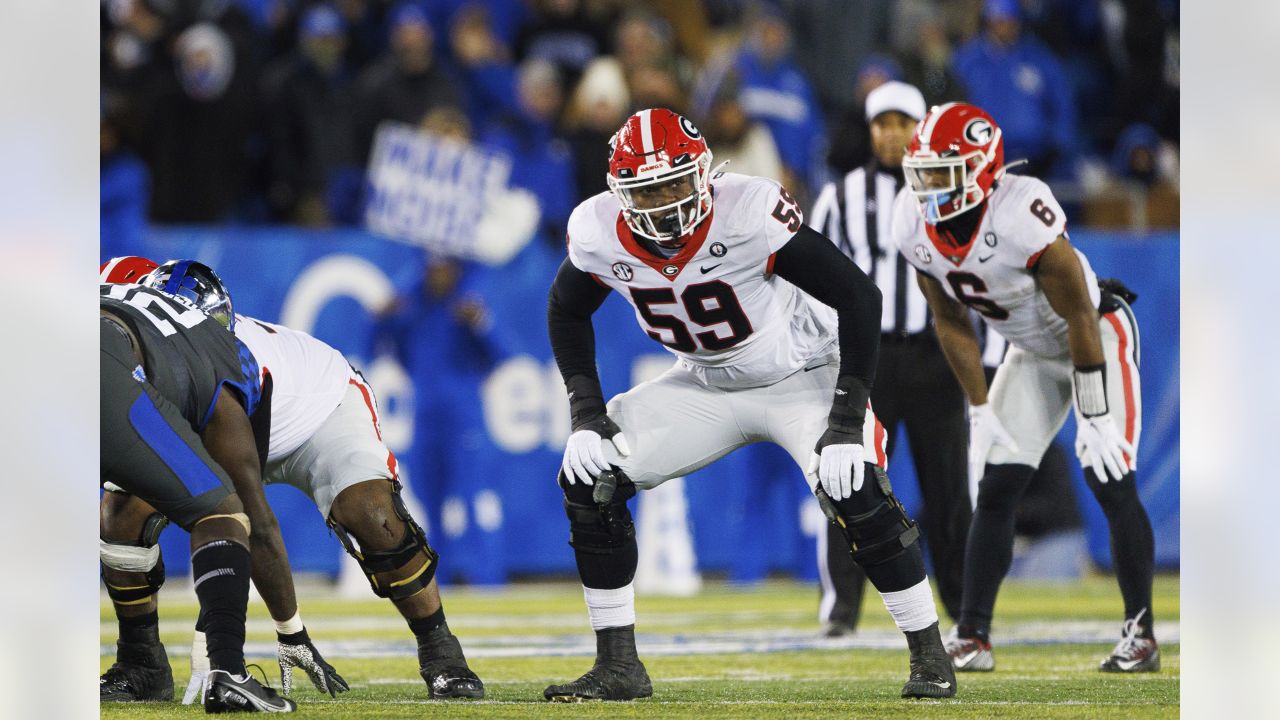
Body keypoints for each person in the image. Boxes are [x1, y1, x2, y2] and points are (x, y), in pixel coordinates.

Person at [543, 107, 956, 702]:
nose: (664, 202)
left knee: (853, 486)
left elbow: (859, 298)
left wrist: (844, 420)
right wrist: (585, 412)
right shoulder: (598, 229)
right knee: (589, 475)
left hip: (803, 373)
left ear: (705, 174)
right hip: (703, 383)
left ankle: (930, 654)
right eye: (647, 189)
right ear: (619, 193)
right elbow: (566, 307)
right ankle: (618, 666)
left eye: (676, 183)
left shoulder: (748, 211)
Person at [100, 257, 485, 701]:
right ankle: (141, 661)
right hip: (221, 420)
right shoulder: (161, 354)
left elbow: (250, 520)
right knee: (123, 513)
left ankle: (442, 652)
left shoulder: (229, 361)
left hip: (320, 411)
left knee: (373, 515)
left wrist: (274, 631)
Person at [891, 102, 1159, 673]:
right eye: (925, 173)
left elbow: (1082, 315)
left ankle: (1141, 635)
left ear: (983, 166)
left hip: (1097, 334)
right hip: (1034, 352)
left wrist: (1094, 412)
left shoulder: (1021, 211)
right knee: (996, 484)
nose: (931, 186)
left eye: (945, 172)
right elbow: (950, 319)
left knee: (1109, 475)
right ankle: (973, 635)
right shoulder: (911, 223)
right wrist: (980, 405)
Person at [808, 82, 970, 636]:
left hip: (933, 356)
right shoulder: (840, 196)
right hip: (866, 360)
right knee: (848, 479)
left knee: (949, 492)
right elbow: (810, 278)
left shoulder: (952, 190)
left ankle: (966, 611)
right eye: (882, 123)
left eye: (903, 122)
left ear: (921, 127)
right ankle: (841, 610)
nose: (892, 133)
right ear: (870, 130)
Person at [99, 266, 296, 711]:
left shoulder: (115, 293)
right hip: (98, 361)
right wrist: (290, 626)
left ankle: (141, 666)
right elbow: (249, 509)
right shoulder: (222, 346)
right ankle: (229, 674)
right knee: (221, 510)